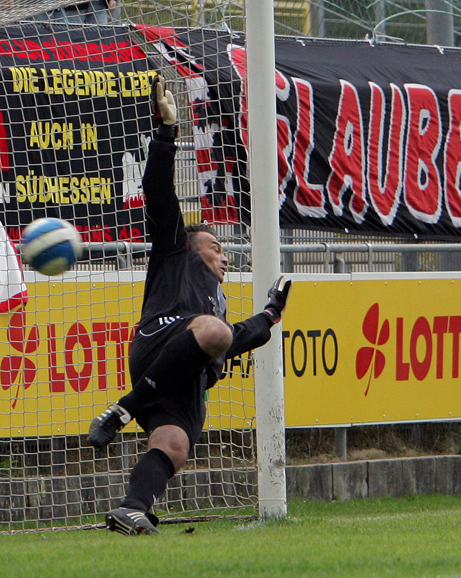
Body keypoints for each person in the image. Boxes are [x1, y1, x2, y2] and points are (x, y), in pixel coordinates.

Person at [87, 75, 292, 536]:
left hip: (188, 378)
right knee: (216, 333)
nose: (225, 255)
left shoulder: (216, 302)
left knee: (174, 445)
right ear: (192, 244)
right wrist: (165, 134)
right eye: (217, 246)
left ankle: (132, 508)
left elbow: (238, 338)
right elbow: (158, 191)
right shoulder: (175, 251)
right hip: (160, 340)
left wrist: (271, 314)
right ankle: (123, 410)